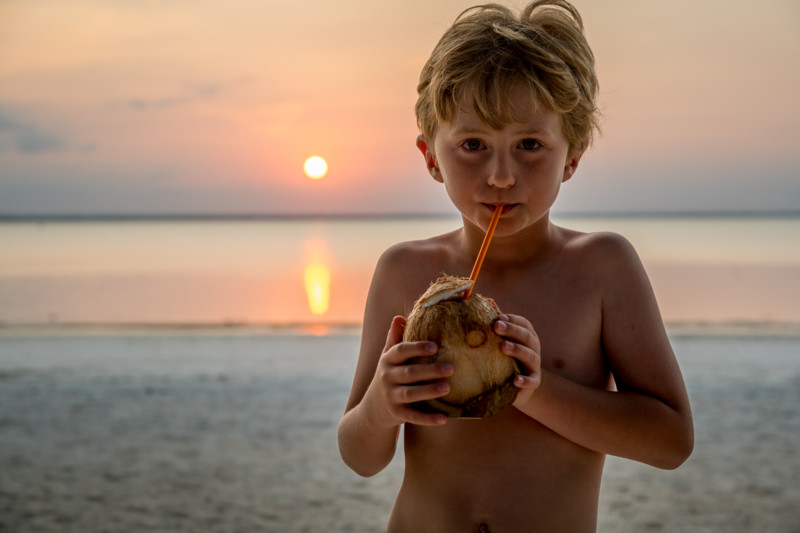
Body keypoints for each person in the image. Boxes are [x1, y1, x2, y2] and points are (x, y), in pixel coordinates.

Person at [337, 1, 694, 531]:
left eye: (530, 145)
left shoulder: (601, 268)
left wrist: (534, 388)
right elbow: (361, 456)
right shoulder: (404, 272)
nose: (501, 176)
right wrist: (380, 408)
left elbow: (670, 442)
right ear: (431, 156)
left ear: (570, 157)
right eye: (473, 145)